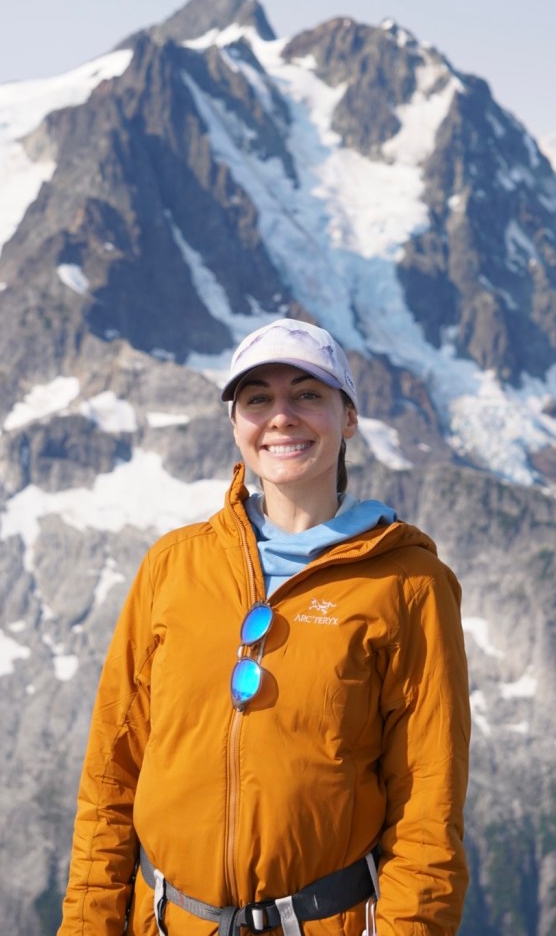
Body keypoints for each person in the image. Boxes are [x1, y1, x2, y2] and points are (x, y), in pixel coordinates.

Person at [58, 317, 470, 936]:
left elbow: (428, 812)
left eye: (307, 394)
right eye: (257, 399)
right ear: (235, 425)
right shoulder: (173, 565)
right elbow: (110, 775)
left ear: (348, 417)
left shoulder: (409, 584)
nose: (281, 417)